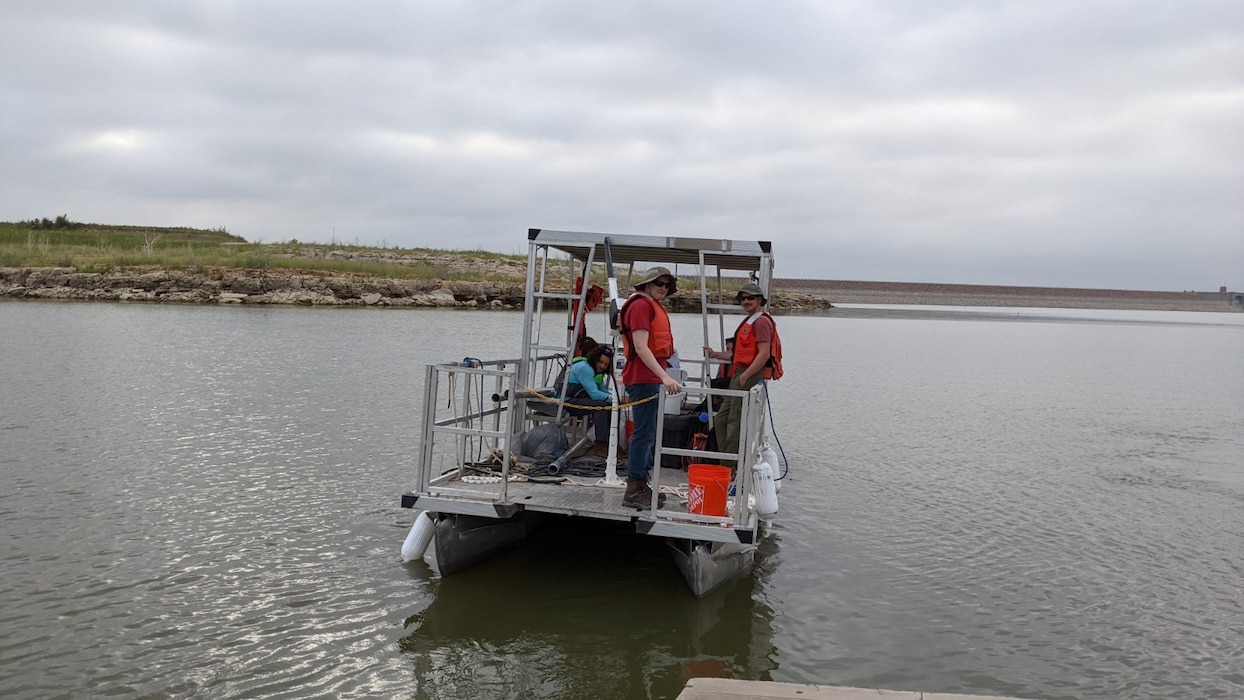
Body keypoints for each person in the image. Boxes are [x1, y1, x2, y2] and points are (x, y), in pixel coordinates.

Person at [618, 266, 682, 509]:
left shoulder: (647, 305)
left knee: (648, 434)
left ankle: (641, 483)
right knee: (643, 435)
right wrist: (665, 377)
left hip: (649, 379)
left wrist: (662, 377)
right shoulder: (641, 306)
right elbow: (642, 347)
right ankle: (634, 489)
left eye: (667, 285)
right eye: (659, 284)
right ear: (646, 284)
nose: (663, 289)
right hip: (642, 379)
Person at [716, 283, 778, 464]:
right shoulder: (751, 320)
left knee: (734, 419)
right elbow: (738, 354)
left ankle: (730, 465)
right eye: (743, 298)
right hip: (739, 372)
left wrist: (745, 376)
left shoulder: (761, 322)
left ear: (759, 300)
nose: (746, 301)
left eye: (750, 298)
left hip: (749, 373)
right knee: (721, 419)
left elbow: (764, 353)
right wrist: (714, 354)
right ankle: (725, 459)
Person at [562, 345, 621, 458]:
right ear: (594, 359)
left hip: (581, 398)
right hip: (568, 401)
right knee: (601, 406)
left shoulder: (596, 371)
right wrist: (616, 399)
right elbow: (595, 395)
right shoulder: (585, 368)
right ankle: (601, 444)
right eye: (600, 362)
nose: (602, 366)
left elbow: (603, 391)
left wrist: (615, 400)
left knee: (611, 405)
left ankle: (611, 442)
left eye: (606, 364)